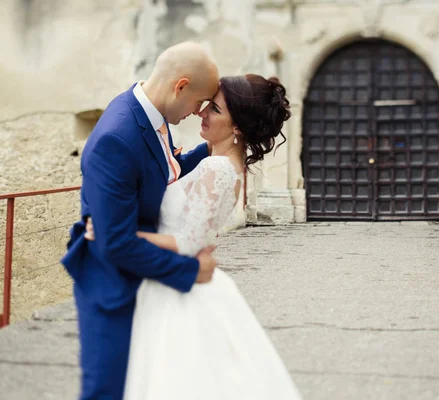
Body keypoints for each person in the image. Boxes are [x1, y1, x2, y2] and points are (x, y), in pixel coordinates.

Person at [87, 74, 301, 399]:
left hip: (179, 293)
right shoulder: (215, 160)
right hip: (171, 282)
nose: (201, 113)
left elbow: (188, 244)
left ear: (238, 127)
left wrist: (116, 232)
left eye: (214, 109)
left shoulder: (218, 169)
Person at [61, 42, 220, 400]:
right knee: (109, 389)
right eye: (200, 103)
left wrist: (217, 147)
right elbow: (114, 242)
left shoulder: (150, 112)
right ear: (180, 86)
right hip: (112, 286)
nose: (199, 113)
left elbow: (166, 170)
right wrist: (191, 269)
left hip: (144, 277)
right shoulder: (116, 138)